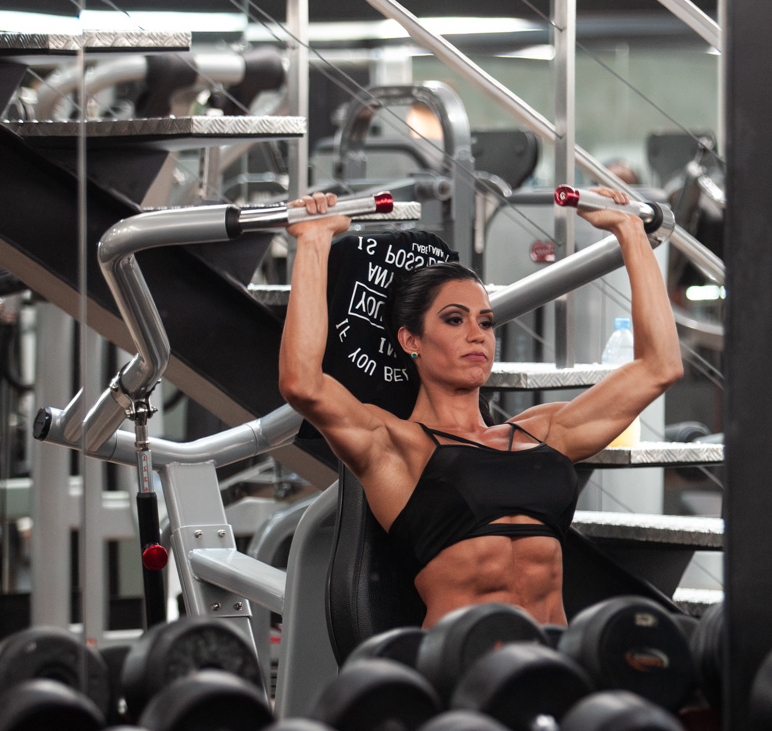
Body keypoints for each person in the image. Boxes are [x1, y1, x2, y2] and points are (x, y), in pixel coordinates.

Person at [278, 189, 682, 628]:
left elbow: (658, 367)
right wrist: (314, 243)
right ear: (410, 340)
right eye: (455, 319)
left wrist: (631, 233)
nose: (478, 335)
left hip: (555, 665)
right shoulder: (394, 446)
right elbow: (303, 382)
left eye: (485, 322)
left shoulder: (544, 432)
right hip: (461, 669)